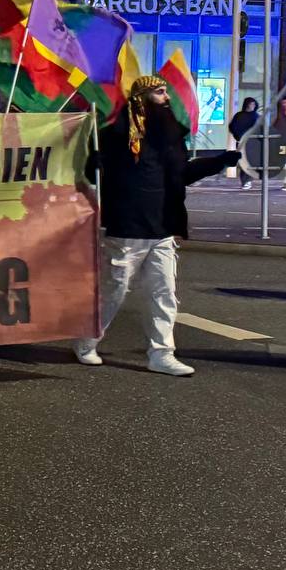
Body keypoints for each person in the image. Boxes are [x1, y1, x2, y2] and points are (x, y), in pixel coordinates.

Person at [74, 75, 239, 376]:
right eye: (160, 92)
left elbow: (183, 174)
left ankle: (162, 354)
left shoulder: (170, 136)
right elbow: (94, 173)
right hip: (127, 228)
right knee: (114, 290)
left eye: (166, 92)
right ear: (142, 97)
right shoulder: (115, 135)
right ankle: (87, 341)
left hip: (162, 227)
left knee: (164, 293)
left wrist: (219, 161)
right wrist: (92, 164)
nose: (167, 98)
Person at [229, 97, 259, 189]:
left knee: (250, 162)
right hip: (241, 141)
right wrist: (237, 136)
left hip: (252, 142)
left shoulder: (256, 116)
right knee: (243, 162)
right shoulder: (239, 115)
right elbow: (232, 127)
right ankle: (245, 181)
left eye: (254, 104)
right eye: (251, 104)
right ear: (246, 104)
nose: (252, 106)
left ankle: (247, 181)